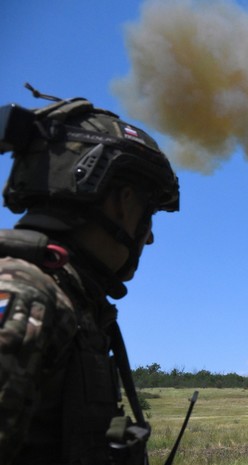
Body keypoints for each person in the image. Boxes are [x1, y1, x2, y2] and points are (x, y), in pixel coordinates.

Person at [0, 89, 180, 464]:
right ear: (121, 202)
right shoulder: (23, 293)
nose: (148, 236)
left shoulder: (68, 300)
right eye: (148, 213)